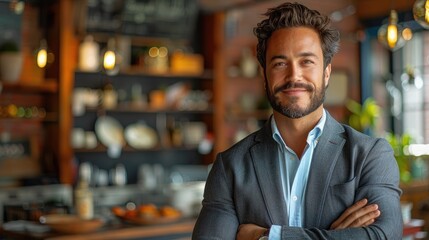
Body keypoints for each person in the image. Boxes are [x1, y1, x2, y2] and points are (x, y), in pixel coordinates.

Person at [192, 2, 403, 240]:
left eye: (306, 61)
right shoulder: (230, 167)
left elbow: (385, 235)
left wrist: (268, 236)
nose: (294, 76)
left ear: (326, 73)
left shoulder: (369, 156)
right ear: (265, 75)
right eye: (280, 63)